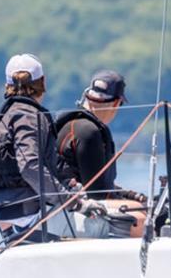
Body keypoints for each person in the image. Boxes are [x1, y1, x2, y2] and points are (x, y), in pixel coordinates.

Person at [0, 53, 105, 242]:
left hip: (6, 215)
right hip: (31, 216)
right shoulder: (29, 117)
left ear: (7, 86)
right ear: (42, 82)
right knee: (105, 225)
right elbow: (30, 166)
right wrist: (75, 203)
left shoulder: (0, 119)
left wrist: (67, 189)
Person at [55, 70, 147, 236]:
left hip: (66, 206)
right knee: (144, 217)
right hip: (76, 210)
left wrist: (130, 195)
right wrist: (134, 203)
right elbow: (98, 194)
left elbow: (94, 182)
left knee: (143, 207)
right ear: (117, 103)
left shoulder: (76, 124)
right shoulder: (89, 131)